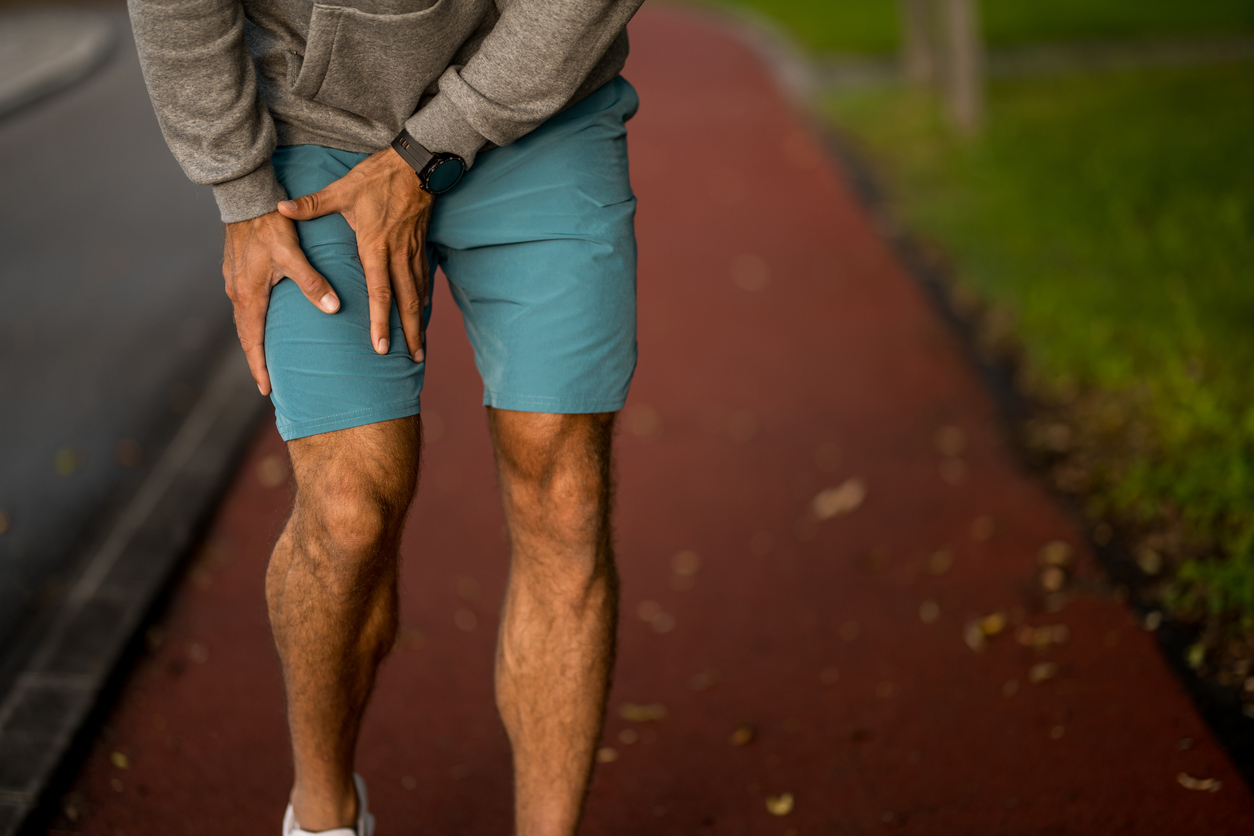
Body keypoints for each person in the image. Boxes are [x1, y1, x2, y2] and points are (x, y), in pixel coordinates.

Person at [127, 0, 645, 833]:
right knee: (347, 511)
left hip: (541, 113)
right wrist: (239, 189)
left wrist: (432, 147)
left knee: (565, 490)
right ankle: (323, 809)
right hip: (314, 129)